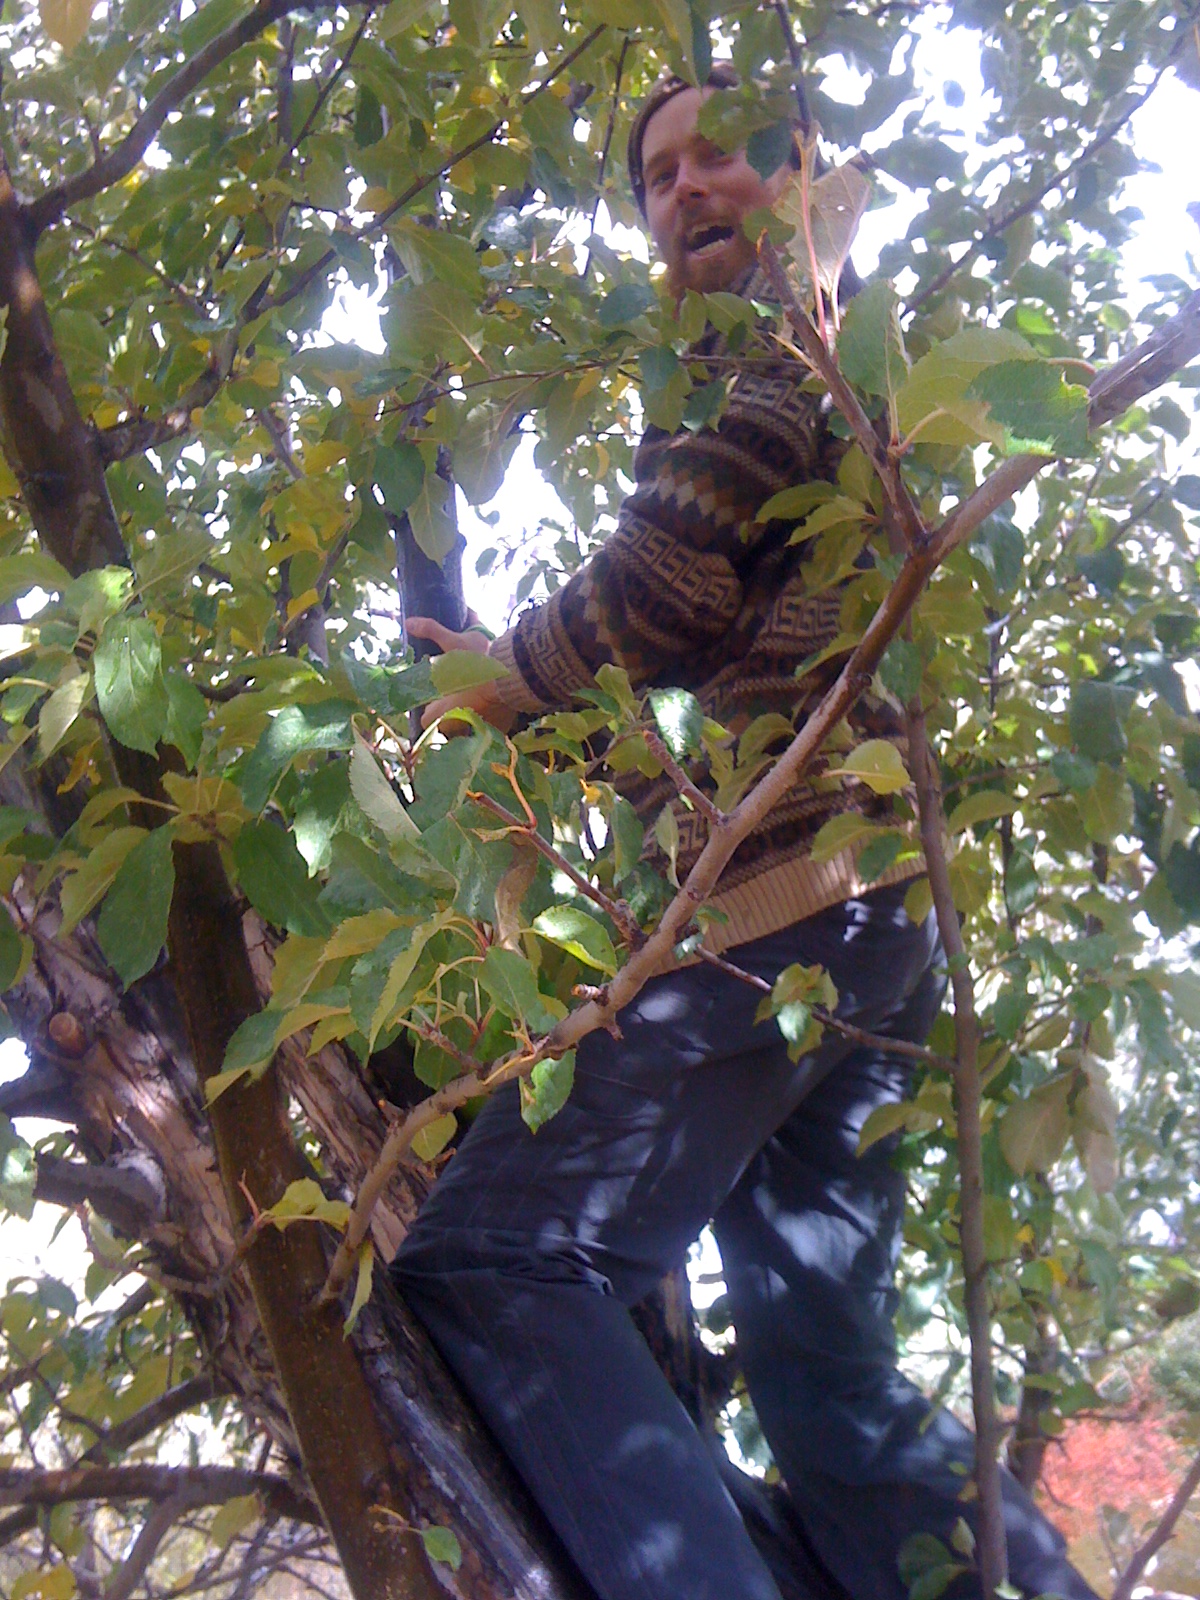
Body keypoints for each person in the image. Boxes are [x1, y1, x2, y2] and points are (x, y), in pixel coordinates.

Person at [393, 73, 1100, 1600]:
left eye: (723, 154)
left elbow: (660, 591)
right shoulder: (780, 350)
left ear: (802, 172)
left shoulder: (797, 319)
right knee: (827, 1383)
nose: (688, 188)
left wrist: (497, 679)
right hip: (862, 914)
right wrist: (555, 736)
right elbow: (705, 660)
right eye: (658, 175)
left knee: (495, 1256)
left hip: (793, 902)